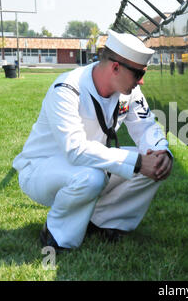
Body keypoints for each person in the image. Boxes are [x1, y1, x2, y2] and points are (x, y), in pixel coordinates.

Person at [13, 30, 173, 252]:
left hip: (88, 163)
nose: (142, 82)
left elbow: (146, 127)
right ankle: (57, 235)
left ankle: (102, 223)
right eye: (138, 74)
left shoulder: (128, 91)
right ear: (115, 67)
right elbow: (75, 150)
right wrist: (136, 162)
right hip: (41, 170)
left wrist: (160, 152)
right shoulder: (67, 89)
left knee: (152, 162)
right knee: (92, 177)